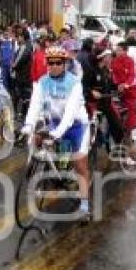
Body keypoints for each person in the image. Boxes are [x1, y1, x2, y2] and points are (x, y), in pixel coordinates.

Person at [21, 46, 91, 216]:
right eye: (51, 62)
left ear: (65, 64)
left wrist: (56, 133)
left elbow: (69, 114)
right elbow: (34, 106)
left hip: (76, 125)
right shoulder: (42, 82)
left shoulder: (74, 83)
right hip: (55, 122)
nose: (54, 66)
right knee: (37, 138)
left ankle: (84, 206)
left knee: (80, 165)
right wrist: (28, 126)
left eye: (58, 63)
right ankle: (53, 168)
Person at [83, 49, 124, 145]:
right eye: (109, 56)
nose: (111, 59)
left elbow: (111, 85)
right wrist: (91, 91)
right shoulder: (91, 70)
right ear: (102, 58)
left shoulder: (106, 71)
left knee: (118, 127)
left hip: (105, 103)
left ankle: (117, 147)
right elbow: (83, 86)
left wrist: (118, 87)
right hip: (92, 104)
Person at [111, 41, 136, 133]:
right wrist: (116, 84)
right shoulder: (114, 61)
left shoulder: (131, 61)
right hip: (117, 88)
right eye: (116, 50)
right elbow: (112, 74)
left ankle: (131, 130)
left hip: (130, 90)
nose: (117, 52)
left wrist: (126, 85)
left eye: (119, 50)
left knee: (131, 109)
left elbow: (133, 76)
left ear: (125, 51)